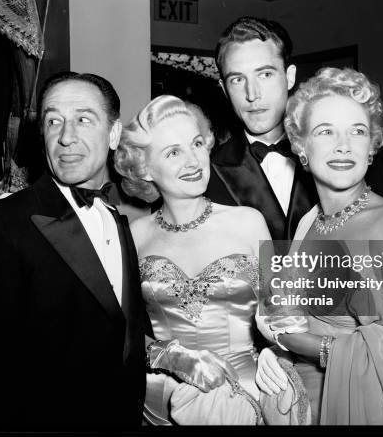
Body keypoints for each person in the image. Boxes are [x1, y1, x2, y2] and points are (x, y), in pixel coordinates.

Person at [255, 67, 383, 432]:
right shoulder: (309, 221)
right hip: (303, 408)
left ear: (372, 146)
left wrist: (312, 346)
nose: (343, 145)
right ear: (301, 147)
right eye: (325, 131)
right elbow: (290, 318)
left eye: (357, 131)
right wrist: (276, 352)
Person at [0, 72, 148, 431]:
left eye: (82, 119)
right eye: (53, 121)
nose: (66, 137)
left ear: (113, 134)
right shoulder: (2, 222)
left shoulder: (118, 221)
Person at [114, 95, 274, 425]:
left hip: (245, 394)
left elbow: (284, 313)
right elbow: (119, 333)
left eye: (197, 143)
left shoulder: (249, 221)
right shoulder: (132, 235)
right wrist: (170, 355)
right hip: (161, 401)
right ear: (145, 169)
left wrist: (278, 351)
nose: (194, 160)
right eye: (174, 152)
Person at [205, 16, 317, 240]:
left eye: (265, 74)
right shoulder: (207, 173)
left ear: (290, 76)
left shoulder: (333, 154)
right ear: (224, 89)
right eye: (237, 79)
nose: (252, 94)